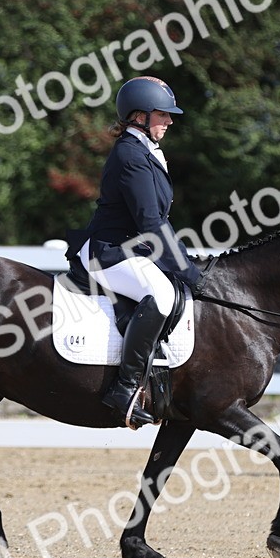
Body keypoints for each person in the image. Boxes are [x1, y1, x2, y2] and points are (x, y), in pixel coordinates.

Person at [76, 76, 204, 428]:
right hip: (110, 253)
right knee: (161, 295)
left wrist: (186, 262)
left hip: (133, 250)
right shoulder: (130, 154)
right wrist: (188, 271)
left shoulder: (145, 150)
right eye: (163, 114)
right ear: (139, 116)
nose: (170, 121)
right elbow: (150, 221)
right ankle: (125, 388)